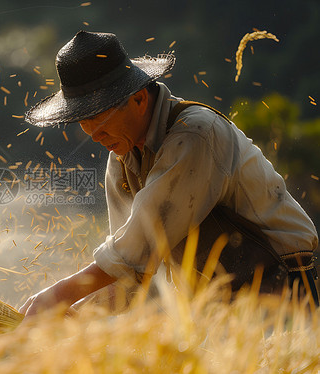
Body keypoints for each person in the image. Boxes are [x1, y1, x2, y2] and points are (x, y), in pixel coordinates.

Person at [19, 30, 319, 317]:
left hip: (282, 290)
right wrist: (76, 315)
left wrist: (58, 295)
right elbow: (131, 271)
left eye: (98, 115)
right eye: (83, 119)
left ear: (138, 99)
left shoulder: (196, 134)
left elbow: (138, 245)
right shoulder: (122, 159)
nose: (93, 133)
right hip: (210, 304)